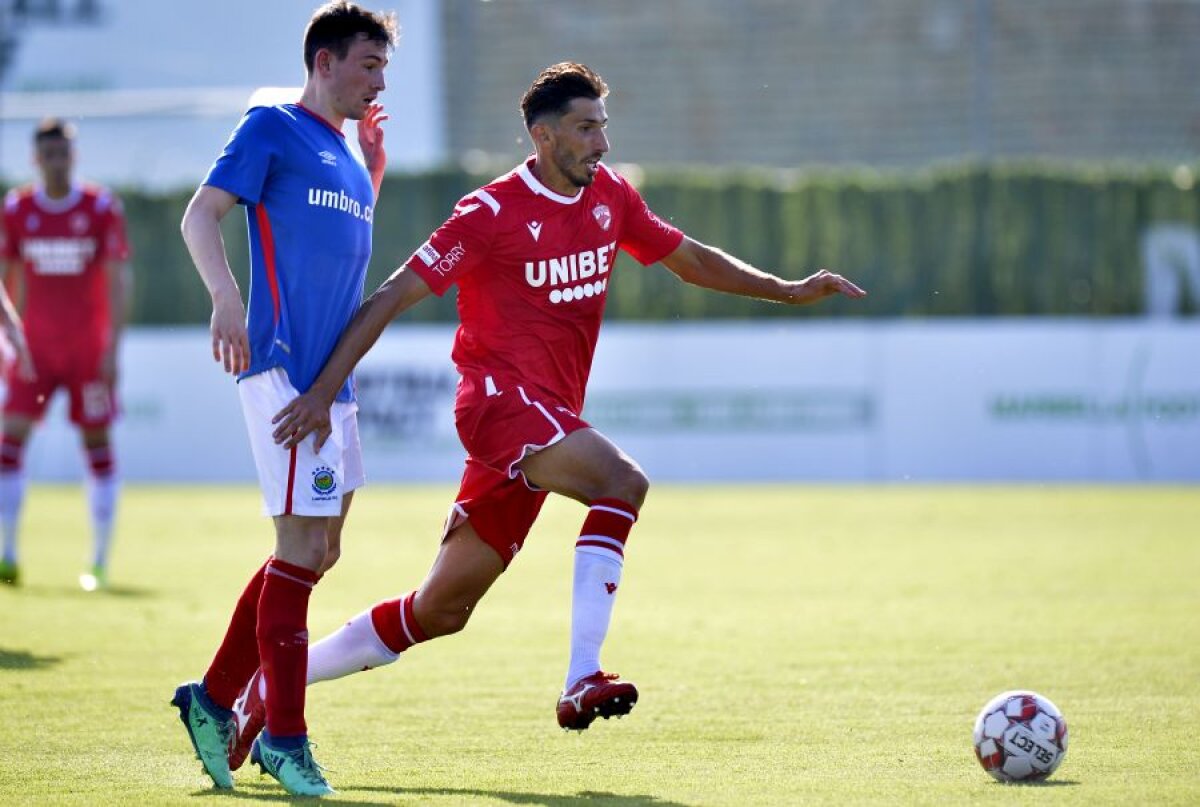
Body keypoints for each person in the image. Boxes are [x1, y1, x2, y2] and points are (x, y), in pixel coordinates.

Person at [219, 61, 867, 768]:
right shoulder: (489, 213)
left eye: (604, 128)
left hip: (544, 420)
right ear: (543, 135)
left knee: (440, 610)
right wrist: (322, 391)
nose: (602, 144)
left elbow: (689, 260)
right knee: (622, 482)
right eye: (587, 129)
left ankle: (263, 690)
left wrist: (788, 290)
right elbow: (392, 296)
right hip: (497, 405)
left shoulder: (612, 199)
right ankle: (581, 676)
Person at [172, 1, 396, 797]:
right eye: (368, 65)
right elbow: (202, 214)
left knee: (318, 550)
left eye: (384, 70)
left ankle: (210, 696)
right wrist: (225, 297)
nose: (378, 82)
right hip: (282, 369)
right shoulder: (272, 125)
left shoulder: (343, 149)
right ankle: (285, 738)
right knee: (300, 550)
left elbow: (336, 246)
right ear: (325, 61)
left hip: (333, 382)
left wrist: (370, 164)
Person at [0, 118, 132, 592]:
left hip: (86, 352)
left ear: (73, 157)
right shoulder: (17, 209)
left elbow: (118, 280)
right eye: (48, 154)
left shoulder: (100, 207)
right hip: (33, 350)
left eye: (64, 153)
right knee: (9, 442)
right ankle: (8, 552)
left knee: (97, 445)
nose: (57, 162)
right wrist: (7, 340)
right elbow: (7, 278)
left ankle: (97, 562)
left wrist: (113, 348)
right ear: (36, 159)